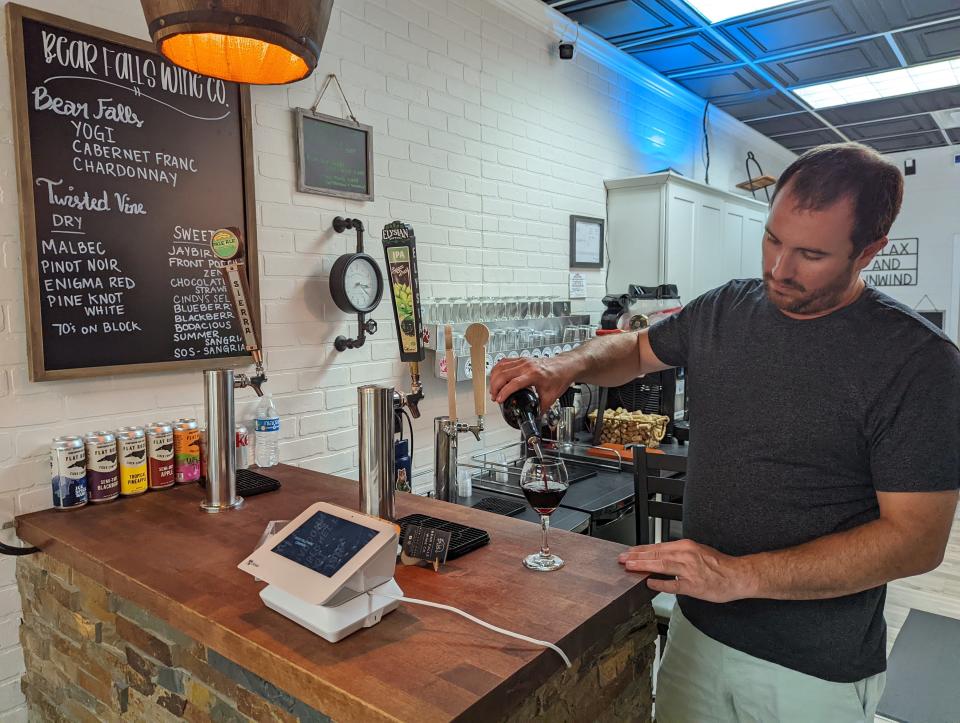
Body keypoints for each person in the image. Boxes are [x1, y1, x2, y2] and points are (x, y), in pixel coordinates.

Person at [489, 143, 960, 722]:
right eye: (773, 239)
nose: (779, 269)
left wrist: (738, 576)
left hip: (812, 672)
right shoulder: (726, 309)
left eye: (810, 254)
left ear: (869, 252)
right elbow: (636, 350)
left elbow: (916, 540)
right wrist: (567, 364)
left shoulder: (917, 361)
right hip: (698, 636)